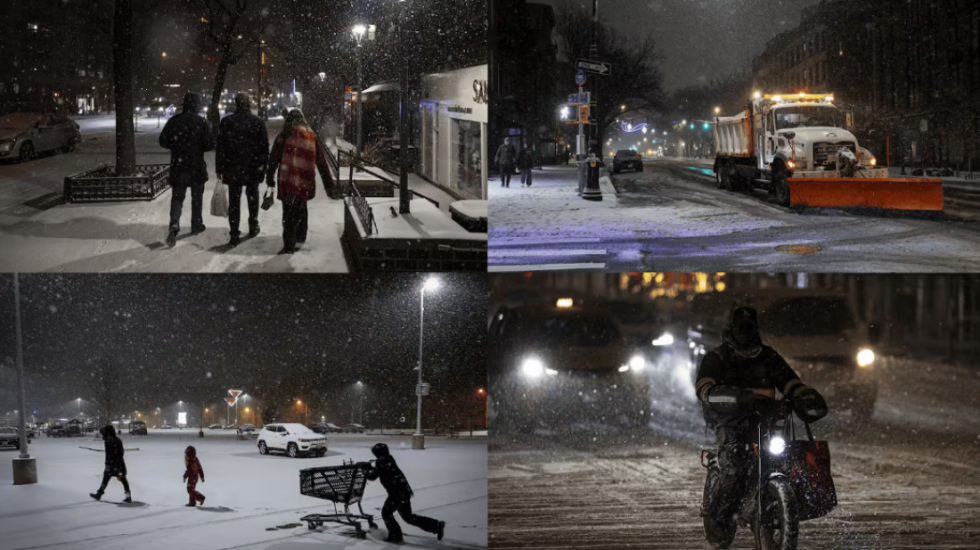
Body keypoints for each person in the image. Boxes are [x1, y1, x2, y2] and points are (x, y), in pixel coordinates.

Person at [695, 306, 828, 549]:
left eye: (750, 326)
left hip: (766, 421)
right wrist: (740, 397)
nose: (746, 331)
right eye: (741, 326)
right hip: (731, 423)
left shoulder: (769, 357)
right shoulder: (717, 357)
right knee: (734, 470)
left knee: (783, 461)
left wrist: (804, 395)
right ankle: (718, 520)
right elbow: (705, 389)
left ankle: (772, 507)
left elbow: (789, 381)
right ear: (732, 328)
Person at [266, 110, 333, 254]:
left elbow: (273, 160)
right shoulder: (311, 137)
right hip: (304, 182)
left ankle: (289, 243)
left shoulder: (283, 136)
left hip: (288, 181)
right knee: (302, 206)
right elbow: (321, 162)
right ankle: (301, 236)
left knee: (288, 212)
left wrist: (269, 178)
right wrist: (329, 184)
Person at [160, 92, 216, 247]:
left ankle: (174, 222)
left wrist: (176, 144)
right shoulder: (201, 122)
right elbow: (210, 144)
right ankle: (196, 223)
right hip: (196, 166)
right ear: (196, 105)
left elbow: (163, 140)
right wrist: (199, 145)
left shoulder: (174, 121)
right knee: (197, 198)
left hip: (179, 165)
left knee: (177, 197)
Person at [362, 443, 445, 544]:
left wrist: (365, 470)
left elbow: (373, 476)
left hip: (396, 493)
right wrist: (370, 468)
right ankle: (436, 525)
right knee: (408, 517)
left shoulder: (382, 462)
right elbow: (380, 470)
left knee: (386, 514)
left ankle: (395, 536)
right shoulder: (388, 460)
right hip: (403, 492)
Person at [216, 93, 270, 247]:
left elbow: (221, 147)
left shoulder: (227, 122)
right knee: (252, 196)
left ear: (236, 104)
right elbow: (264, 146)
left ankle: (234, 234)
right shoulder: (258, 122)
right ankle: (253, 225)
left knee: (234, 201)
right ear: (248, 103)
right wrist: (263, 164)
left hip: (233, 168)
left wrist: (220, 167)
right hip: (253, 168)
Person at [89, 425, 132, 503]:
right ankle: (128, 497)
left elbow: (112, 453)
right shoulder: (117, 440)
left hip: (112, 464)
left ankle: (99, 494)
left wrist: (112, 463)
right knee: (122, 479)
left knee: (106, 479)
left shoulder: (109, 441)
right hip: (118, 464)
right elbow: (121, 452)